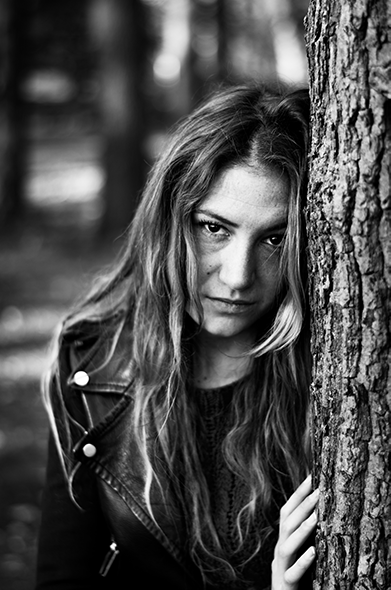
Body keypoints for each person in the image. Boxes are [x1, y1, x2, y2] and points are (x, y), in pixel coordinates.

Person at [35, 82, 318, 590]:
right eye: (215, 229)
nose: (238, 276)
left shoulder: (331, 374)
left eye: (276, 239)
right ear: (170, 221)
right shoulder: (91, 364)